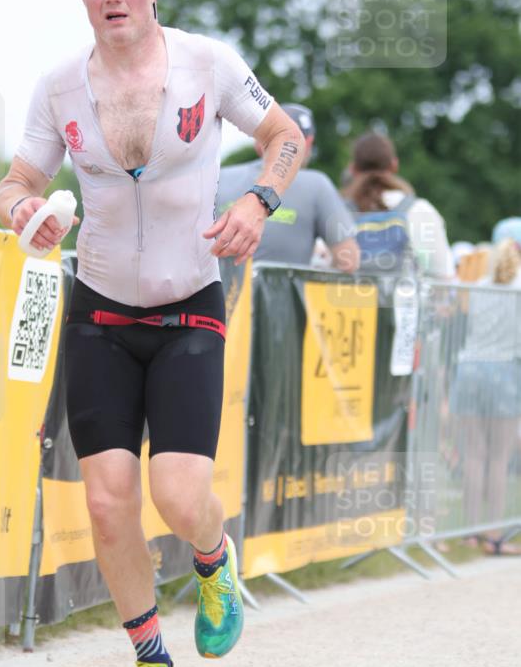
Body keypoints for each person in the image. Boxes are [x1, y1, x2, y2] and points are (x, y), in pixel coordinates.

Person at [0, 0, 304, 667]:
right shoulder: (60, 87)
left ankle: (213, 558)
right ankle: (149, 656)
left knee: (177, 490)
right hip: (98, 307)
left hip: (190, 300)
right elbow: (15, 182)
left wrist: (256, 200)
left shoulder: (208, 62)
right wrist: (23, 210)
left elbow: (286, 135)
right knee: (105, 500)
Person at [217, 104, 359, 271]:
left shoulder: (220, 176)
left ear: (258, 143)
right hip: (284, 297)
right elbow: (349, 261)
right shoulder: (317, 184)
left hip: (217, 295)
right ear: (308, 143)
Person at [451, 237, 521, 555]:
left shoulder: (478, 286)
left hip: (470, 370)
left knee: (474, 457)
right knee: (498, 460)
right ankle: (493, 535)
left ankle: (469, 532)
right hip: (504, 371)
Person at [342, 133, 455, 278]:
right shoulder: (419, 209)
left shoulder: (338, 209)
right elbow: (442, 273)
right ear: (394, 165)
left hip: (348, 298)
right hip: (403, 299)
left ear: (353, 169)